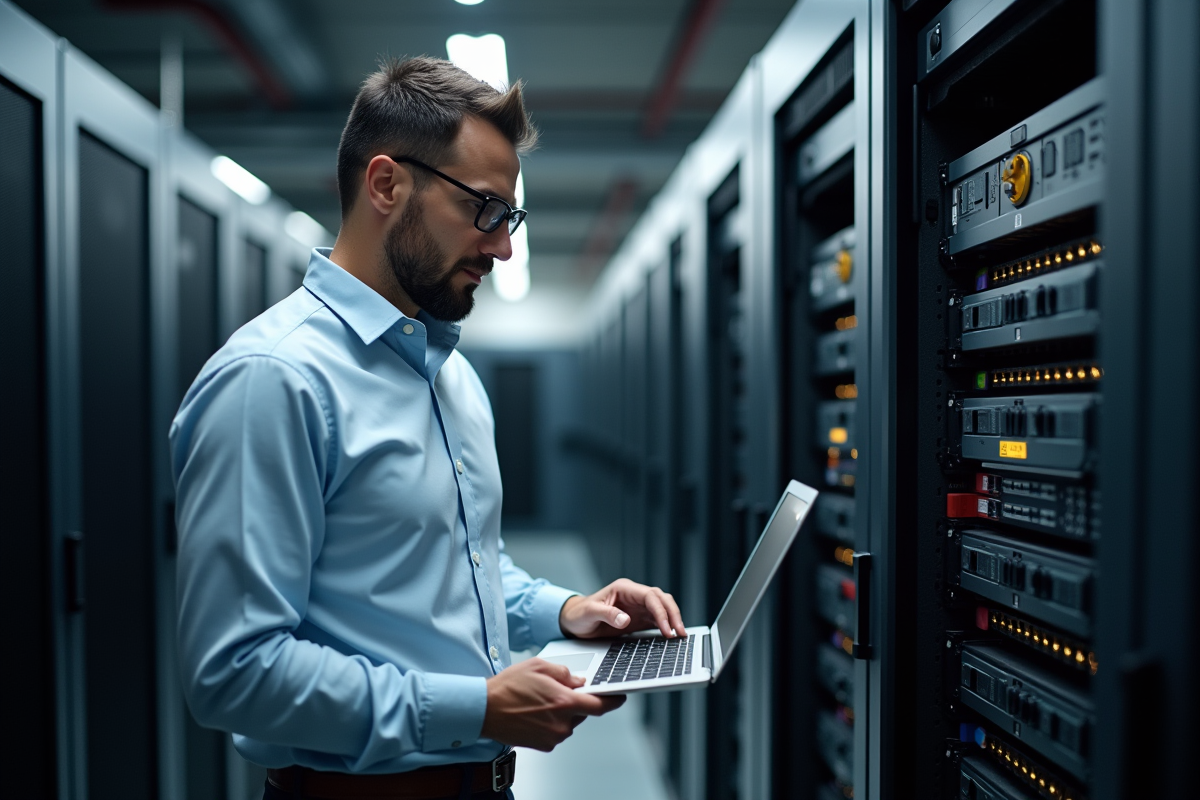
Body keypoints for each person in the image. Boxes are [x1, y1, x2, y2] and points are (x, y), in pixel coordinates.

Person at [171, 56, 686, 800]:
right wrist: (475, 707)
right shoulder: (273, 380)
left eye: (510, 217)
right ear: (386, 184)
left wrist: (571, 611)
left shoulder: (448, 373)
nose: (503, 246)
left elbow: (464, 566)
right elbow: (234, 672)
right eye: (484, 210)